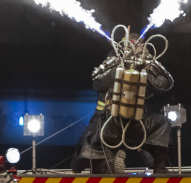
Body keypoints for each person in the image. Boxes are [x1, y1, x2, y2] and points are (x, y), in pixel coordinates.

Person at [72, 34, 174, 173]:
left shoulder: (145, 64)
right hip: (111, 119)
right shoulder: (115, 61)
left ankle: (159, 167)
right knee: (87, 147)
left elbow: (164, 84)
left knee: (162, 123)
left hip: (134, 121)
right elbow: (98, 83)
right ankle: (106, 163)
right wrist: (119, 66)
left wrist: (147, 66)